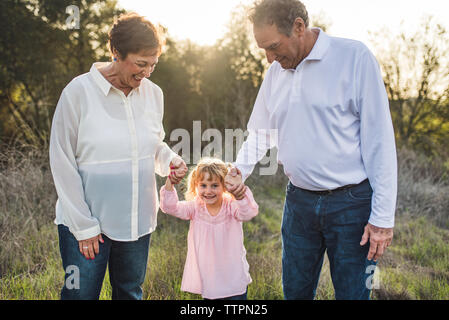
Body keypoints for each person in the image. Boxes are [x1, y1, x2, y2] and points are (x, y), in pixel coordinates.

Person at [227, 0, 397, 300]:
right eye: (263, 49)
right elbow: (261, 132)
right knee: (294, 292)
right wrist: (240, 170)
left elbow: (379, 140)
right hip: (299, 203)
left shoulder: (354, 57)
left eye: (274, 46)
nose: (269, 58)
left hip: (352, 206)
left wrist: (382, 218)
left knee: (353, 294)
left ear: (299, 27)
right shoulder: (276, 72)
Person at [49, 12, 187, 300]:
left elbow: (153, 144)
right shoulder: (78, 92)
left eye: (153, 65)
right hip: (86, 226)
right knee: (80, 295)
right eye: (140, 64)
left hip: (137, 223)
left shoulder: (153, 94)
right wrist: (84, 226)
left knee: (129, 293)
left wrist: (169, 160)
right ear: (116, 53)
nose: (147, 73)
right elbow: (61, 160)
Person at [159, 158, 259, 300]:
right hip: (210, 281)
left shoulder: (231, 206)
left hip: (234, 280)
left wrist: (240, 195)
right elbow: (170, 207)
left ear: (224, 186)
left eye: (214, 185)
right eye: (203, 185)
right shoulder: (195, 207)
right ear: (196, 186)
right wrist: (170, 182)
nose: (208, 191)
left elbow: (248, 212)